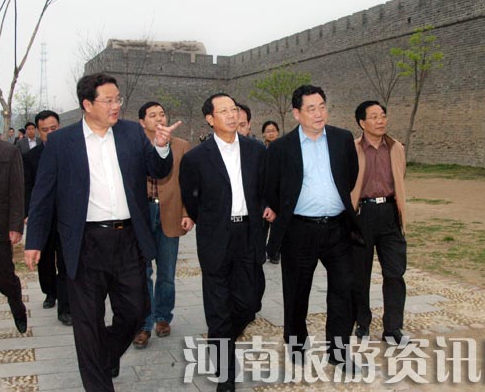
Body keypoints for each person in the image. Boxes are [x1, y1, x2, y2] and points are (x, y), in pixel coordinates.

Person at [24, 73, 179, 392]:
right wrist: (34, 241)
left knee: (137, 310)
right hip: (84, 243)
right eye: (108, 100)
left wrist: (162, 147)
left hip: (128, 240)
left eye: (117, 99)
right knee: (87, 322)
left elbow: (158, 170)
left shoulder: (131, 133)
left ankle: (105, 354)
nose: (115, 105)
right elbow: (43, 194)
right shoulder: (62, 142)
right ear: (87, 104)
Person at [180, 93, 275, 392]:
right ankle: (226, 375)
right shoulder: (196, 158)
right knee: (218, 308)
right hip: (215, 238)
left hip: (249, 234)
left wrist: (265, 206)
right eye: (224, 111)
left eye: (234, 109)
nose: (232, 115)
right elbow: (191, 200)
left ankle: (220, 338)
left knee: (250, 302)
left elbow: (264, 188)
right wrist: (211, 222)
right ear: (210, 119)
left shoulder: (255, 150)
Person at [265, 85, 359, 367]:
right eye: (311, 109)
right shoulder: (282, 147)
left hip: (338, 228)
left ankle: (339, 352)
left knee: (344, 289)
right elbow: (272, 187)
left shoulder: (342, 139)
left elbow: (350, 176)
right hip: (299, 230)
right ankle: (296, 345)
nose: (319, 114)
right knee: (296, 292)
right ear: (297, 113)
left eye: (322, 107)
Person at [133, 101, 194, 348]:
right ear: (141, 122)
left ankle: (162, 317)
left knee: (166, 273)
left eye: (162, 114)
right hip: (142, 214)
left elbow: (189, 183)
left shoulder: (181, 146)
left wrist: (187, 212)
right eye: (152, 115)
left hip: (170, 211)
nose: (159, 118)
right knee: (143, 272)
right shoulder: (134, 146)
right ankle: (145, 323)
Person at [350, 100, 408, 345]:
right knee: (359, 274)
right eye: (374, 117)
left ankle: (393, 328)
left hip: (390, 213)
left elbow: (400, 176)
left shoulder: (396, 148)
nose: (380, 120)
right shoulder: (352, 149)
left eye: (382, 115)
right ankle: (362, 322)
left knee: (395, 273)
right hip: (362, 214)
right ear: (362, 123)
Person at [23, 110, 71, 325]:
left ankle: (65, 308)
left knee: (66, 262)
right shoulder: (31, 157)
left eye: (54, 128)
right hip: (44, 217)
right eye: (45, 130)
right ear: (38, 132)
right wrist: (28, 213)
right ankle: (50, 293)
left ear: (60, 127)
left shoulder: (72, 152)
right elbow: (28, 187)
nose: (50, 133)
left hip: (67, 217)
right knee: (45, 261)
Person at [0, 137, 27, 334]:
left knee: (4, 278)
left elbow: (17, 190)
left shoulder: (8, 152)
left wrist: (16, 225)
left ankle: (17, 305)